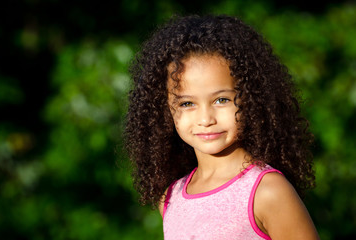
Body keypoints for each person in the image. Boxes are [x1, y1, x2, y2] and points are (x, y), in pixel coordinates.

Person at [124, 14, 319, 240]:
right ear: (164, 109)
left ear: (252, 98)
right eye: (187, 103)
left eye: (221, 100)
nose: (206, 119)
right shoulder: (170, 197)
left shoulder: (268, 191)